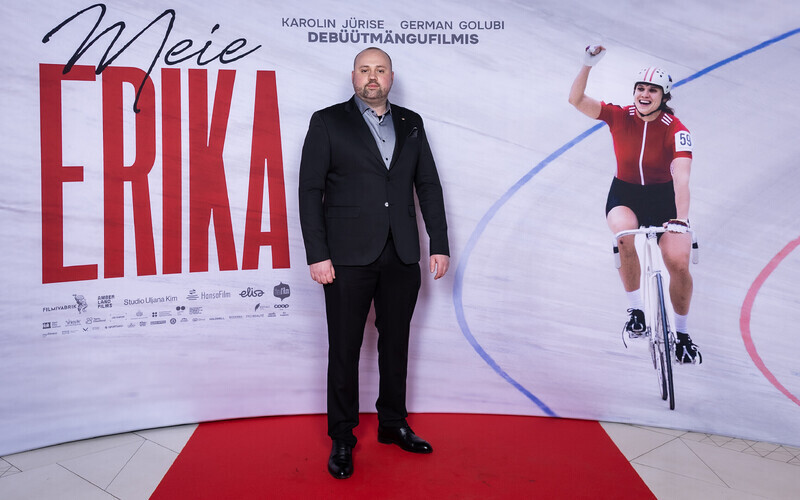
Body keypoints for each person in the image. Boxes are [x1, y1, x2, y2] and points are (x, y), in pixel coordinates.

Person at [298, 47, 450, 479]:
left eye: (380, 70)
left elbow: (428, 185)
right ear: (353, 76)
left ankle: (392, 423)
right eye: (365, 70)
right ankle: (342, 437)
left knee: (396, 342)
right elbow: (310, 191)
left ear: (391, 77)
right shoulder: (327, 121)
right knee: (345, 348)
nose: (372, 77)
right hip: (345, 257)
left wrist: (438, 243)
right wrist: (318, 254)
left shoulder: (412, 122)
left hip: (401, 252)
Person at [568, 45, 702, 364]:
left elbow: (682, 178)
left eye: (652, 90)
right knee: (624, 236)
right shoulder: (619, 116)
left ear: (663, 97)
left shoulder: (677, 130)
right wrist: (587, 64)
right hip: (625, 196)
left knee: (678, 263)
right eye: (640, 88)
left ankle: (683, 335)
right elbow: (576, 100)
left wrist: (681, 219)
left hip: (664, 200)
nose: (644, 94)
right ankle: (636, 312)